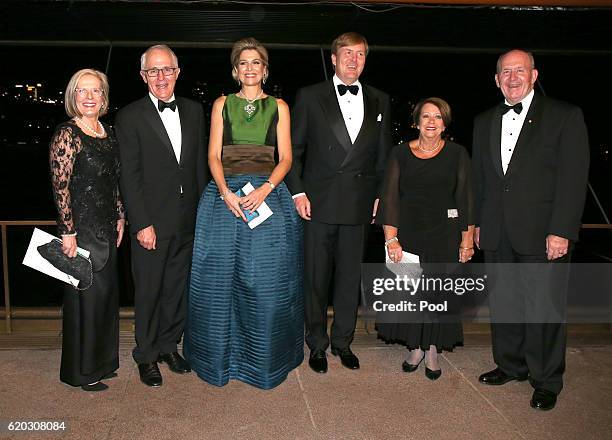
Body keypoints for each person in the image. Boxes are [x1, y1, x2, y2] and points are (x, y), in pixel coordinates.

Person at [473, 49, 589, 410]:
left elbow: (573, 179)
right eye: (505, 72)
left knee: (544, 307)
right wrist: (477, 224)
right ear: (496, 79)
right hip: (496, 230)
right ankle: (510, 364)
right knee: (505, 302)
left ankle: (546, 379)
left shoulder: (564, 116)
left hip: (543, 232)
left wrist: (561, 230)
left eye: (519, 71)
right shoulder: (483, 120)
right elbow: (481, 180)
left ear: (534, 75)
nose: (512, 77)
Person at [184, 37, 303, 390]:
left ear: (265, 70)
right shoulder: (222, 103)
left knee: (266, 283)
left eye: (256, 63)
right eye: (243, 63)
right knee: (217, 282)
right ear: (236, 71)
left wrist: (266, 188)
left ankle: (265, 362)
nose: (250, 68)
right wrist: (225, 193)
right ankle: (217, 360)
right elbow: (213, 156)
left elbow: (286, 159)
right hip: (225, 199)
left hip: (268, 197)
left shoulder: (280, 106)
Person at [285, 32, 392, 374]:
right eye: (346, 53)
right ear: (333, 58)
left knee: (349, 279)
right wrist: (298, 192)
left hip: (359, 203)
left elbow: (383, 157)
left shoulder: (380, 99)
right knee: (315, 279)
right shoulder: (310, 96)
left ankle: (343, 341)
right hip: (317, 204)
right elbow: (294, 151)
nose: (353, 60)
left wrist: (380, 196)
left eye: (359, 54)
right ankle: (316, 343)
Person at [115, 45, 208, 387]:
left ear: (178, 72)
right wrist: (141, 223)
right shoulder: (129, 116)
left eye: (166, 69)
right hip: (151, 225)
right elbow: (130, 176)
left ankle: (170, 346)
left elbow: (199, 167)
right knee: (149, 292)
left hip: (187, 221)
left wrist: (203, 217)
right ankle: (146, 355)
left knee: (176, 290)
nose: (161, 77)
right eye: (153, 71)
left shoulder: (195, 111)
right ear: (143, 76)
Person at [376, 97, 474, 380]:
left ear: (445, 124)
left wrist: (466, 240)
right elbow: (390, 198)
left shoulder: (458, 153)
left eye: (438, 117)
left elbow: (466, 199)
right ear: (416, 122)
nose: (432, 122)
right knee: (412, 295)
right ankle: (415, 347)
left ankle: (431, 348)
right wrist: (390, 240)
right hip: (409, 235)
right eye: (426, 116)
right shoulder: (400, 154)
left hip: (445, 234)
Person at [49, 68, 124, 392]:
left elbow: (113, 182)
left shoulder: (108, 131)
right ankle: (83, 372)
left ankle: (103, 363)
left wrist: (121, 216)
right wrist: (67, 232)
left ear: (104, 97)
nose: (90, 97)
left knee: (106, 300)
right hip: (80, 232)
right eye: (83, 91)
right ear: (73, 96)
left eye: (96, 91)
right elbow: (60, 185)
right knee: (85, 304)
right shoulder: (67, 134)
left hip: (107, 228)